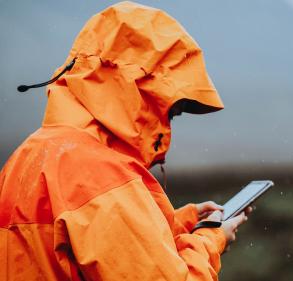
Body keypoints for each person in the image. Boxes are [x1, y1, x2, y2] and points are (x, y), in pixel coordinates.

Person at [0, 2, 250, 280]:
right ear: (141, 95)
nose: (167, 125)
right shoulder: (99, 175)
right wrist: (211, 241)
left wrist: (183, 222)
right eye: (171, 110)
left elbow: (87, 242)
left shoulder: (30, 153)